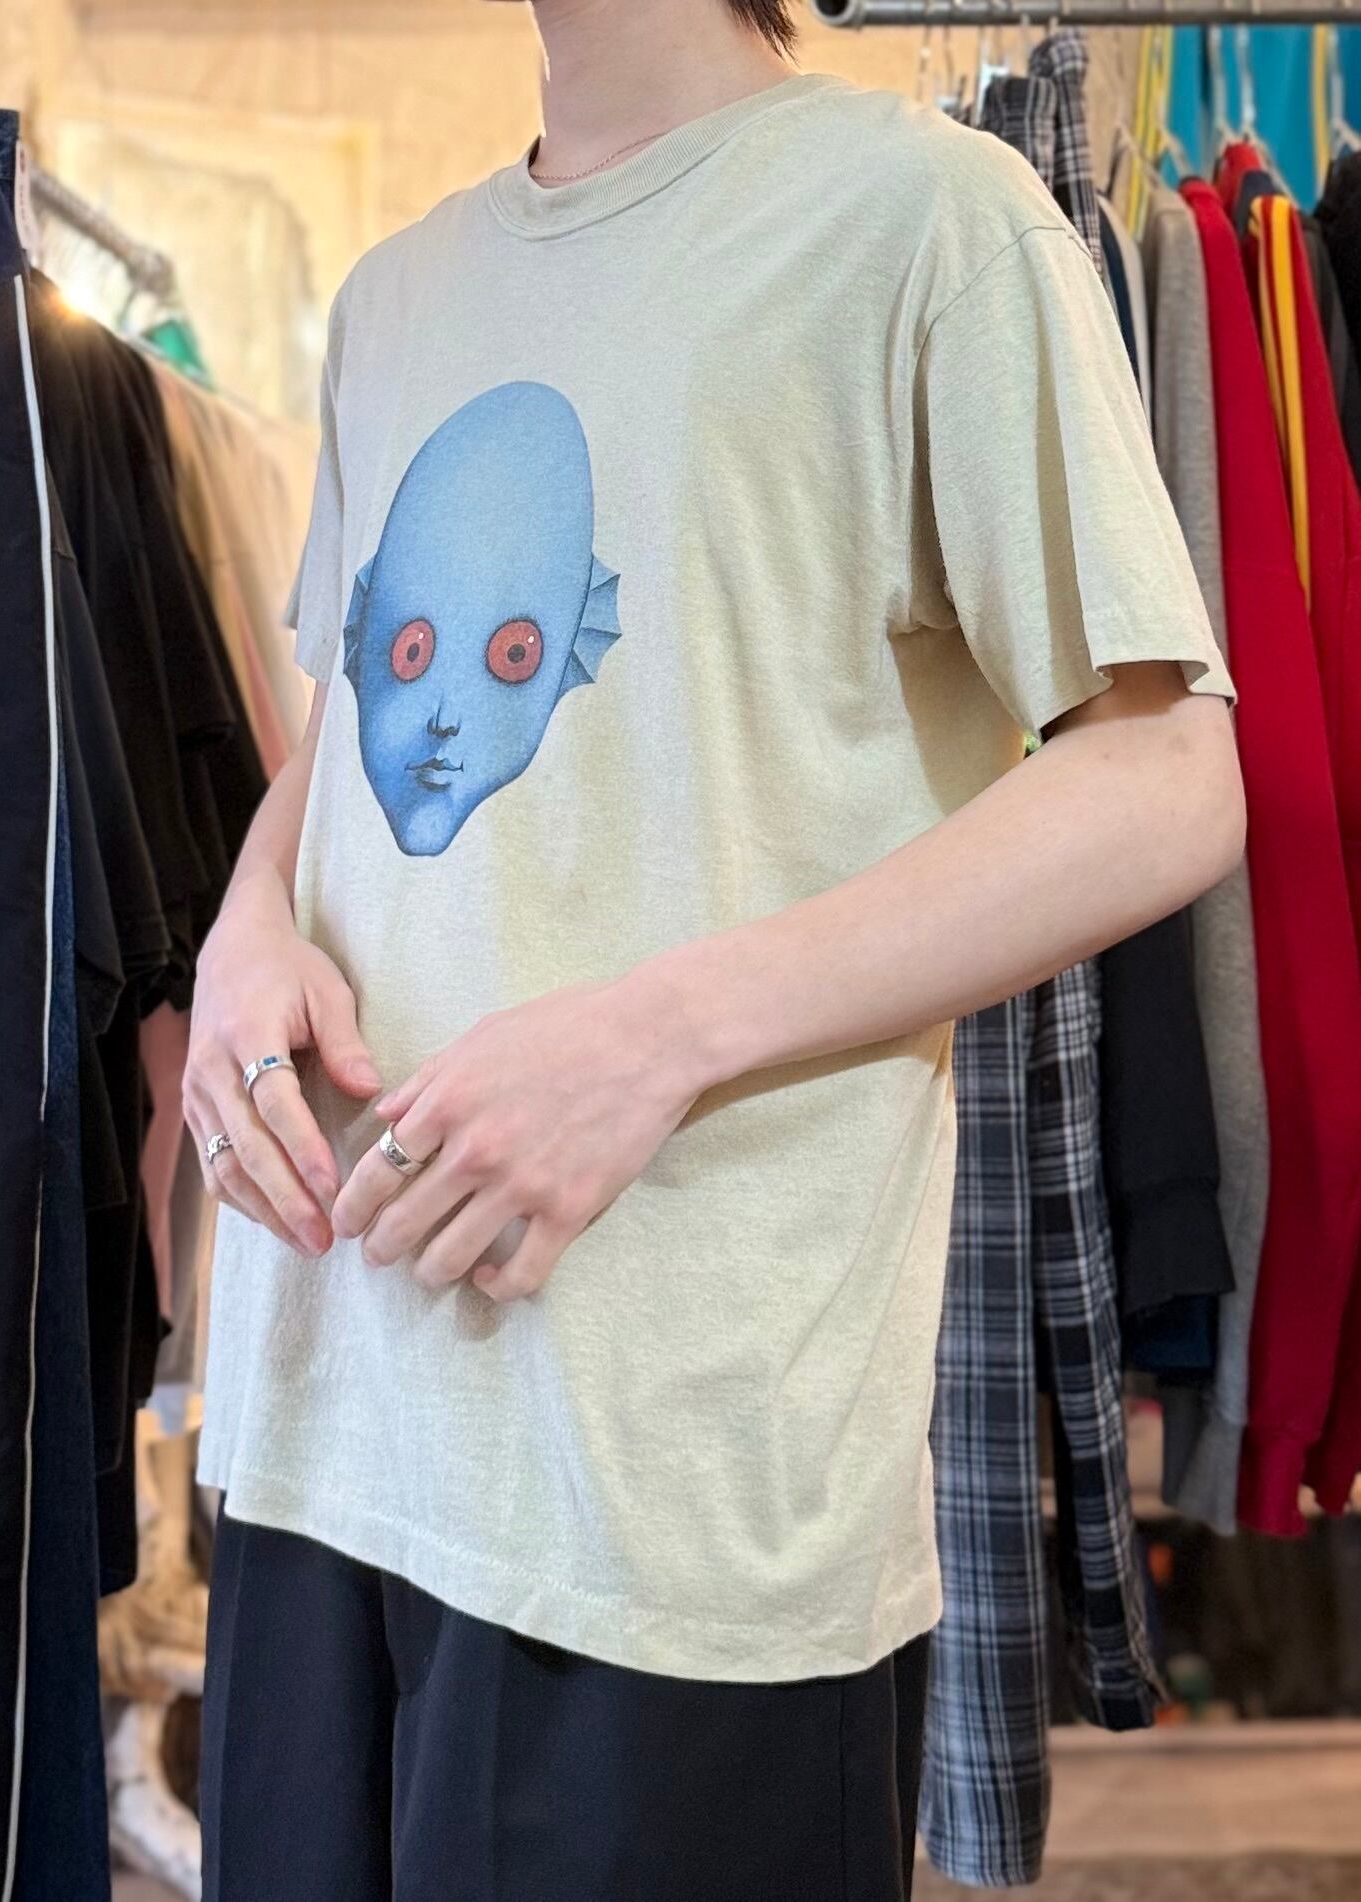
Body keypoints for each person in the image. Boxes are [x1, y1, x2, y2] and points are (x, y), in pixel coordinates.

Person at [186, 2, 1243, 1896]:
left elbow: (1163, 774)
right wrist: (243, 922)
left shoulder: (928, 222)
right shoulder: (395, 292)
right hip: (321, 1417)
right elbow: (336, 747)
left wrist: (655, 1034)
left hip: (667, 1497)